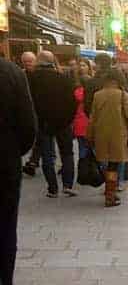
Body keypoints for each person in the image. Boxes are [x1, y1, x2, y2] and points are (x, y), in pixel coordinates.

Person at [0, 58, 36, 285]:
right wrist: (15, 151)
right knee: (4, 224)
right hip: (4, 161)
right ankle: (4, 283)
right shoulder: (11, 73)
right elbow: (27, 125)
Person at [28, 51, 76, 197]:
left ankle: (52, 188)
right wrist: (68, 119)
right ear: (52, 61)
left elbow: (29, 103)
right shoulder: (63, 78)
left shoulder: (32, 79)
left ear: (38, 61)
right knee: (67, 154)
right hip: (63, 123)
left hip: (43, 123)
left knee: (47, 156)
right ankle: (67, 185)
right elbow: (72, 102)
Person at [87, 73, 128, 207]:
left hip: (101, 134)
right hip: (118, 135)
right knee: (113, 165)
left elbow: (92, 117)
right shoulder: (122, 94)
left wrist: (89, 135)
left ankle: (109, 190)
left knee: (105, 163)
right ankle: (110, 195)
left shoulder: (97, 95)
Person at [20, 51, 40, 177]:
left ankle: (33, 161)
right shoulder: (20, 75)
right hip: (27, 109)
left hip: (39, 111)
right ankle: (33, 161)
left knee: (40, 138)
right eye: (25, 62)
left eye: (30, 61)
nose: (28, 64)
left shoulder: (39, 75)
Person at [72, 60, 91, 166]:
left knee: (83, 147)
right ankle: (88, 169)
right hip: (84, 120)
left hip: (84, 120)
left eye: (84, 65)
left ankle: (84, 169)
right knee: (86, 147)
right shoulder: (78, 86)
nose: (82, 67)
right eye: (80, 66)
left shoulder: (77, 89)